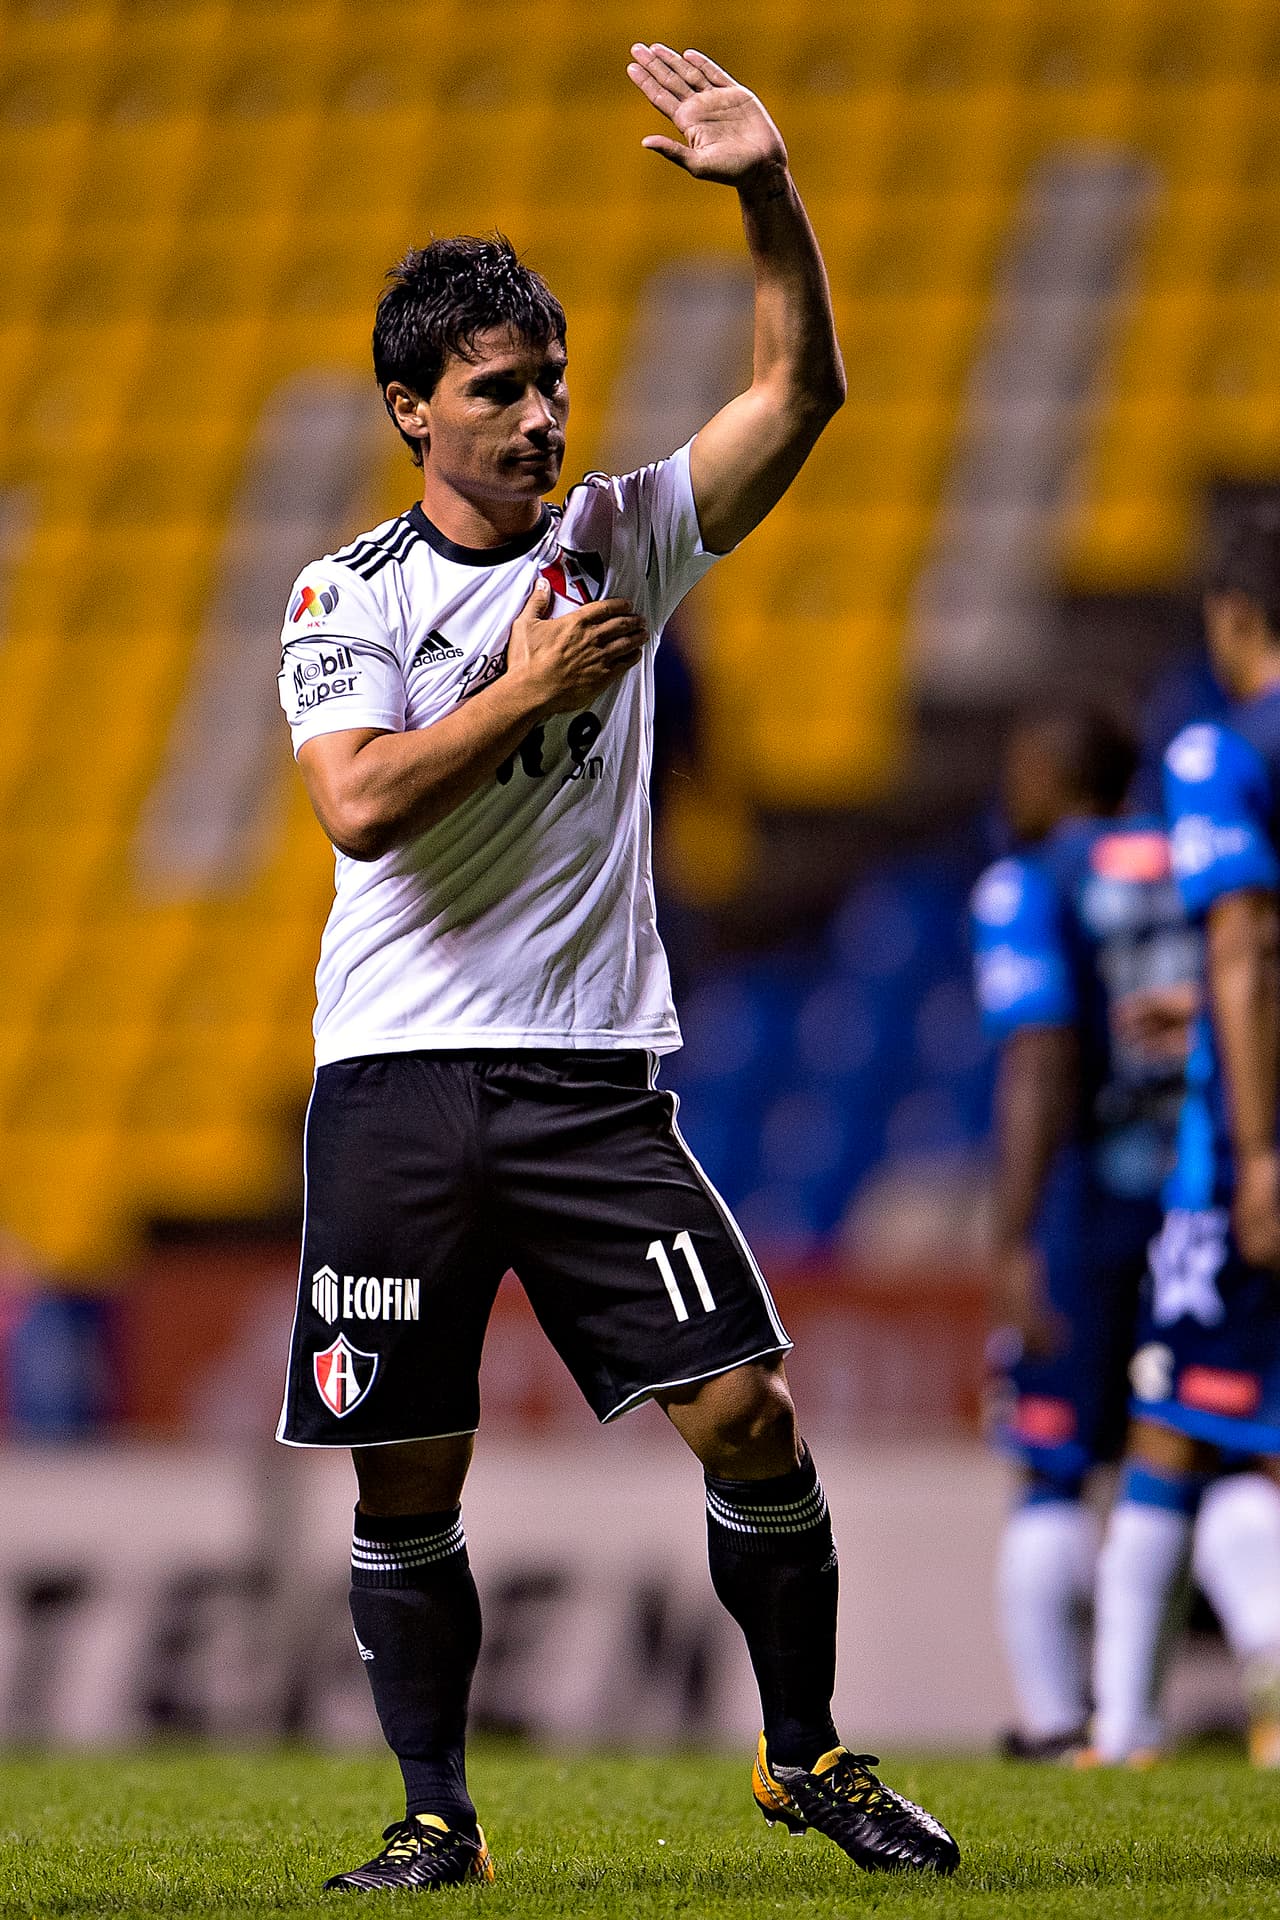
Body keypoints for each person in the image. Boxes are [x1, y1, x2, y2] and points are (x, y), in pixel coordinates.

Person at [275, 43, 958, 1892]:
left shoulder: (623, 538)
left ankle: (804, 1754)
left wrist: (764, 189)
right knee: (403, 1473)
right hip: (398, 1086)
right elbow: (357, 810)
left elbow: (801, 386)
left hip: (585, 1079)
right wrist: (532, 692)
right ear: (412, 407)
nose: (543, 417)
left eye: (556, 382)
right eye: (499, 391)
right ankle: (438, 1822)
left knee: (748, 1410)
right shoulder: (345, 597)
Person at [1088, 499, 1280, 1766]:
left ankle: (1123, 1728)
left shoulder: (1222, 751)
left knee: (1172, 1424)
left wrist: (1257, 1152)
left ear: (1228, 617)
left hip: (1242, 1148)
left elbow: (1246, 938)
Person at [971, 706, 1196, 1758]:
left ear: (1056, 771)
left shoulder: (1029, 881)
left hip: (1085, 1206)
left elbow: (1041, 1055)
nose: (1008, 789)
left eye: (1021, 765)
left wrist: (1011, 1235)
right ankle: (1148, 1718)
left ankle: (1057, 1722)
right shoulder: (1187, 855)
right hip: (1194, 1194)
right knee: (1204, 1454)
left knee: (1051, 1466)